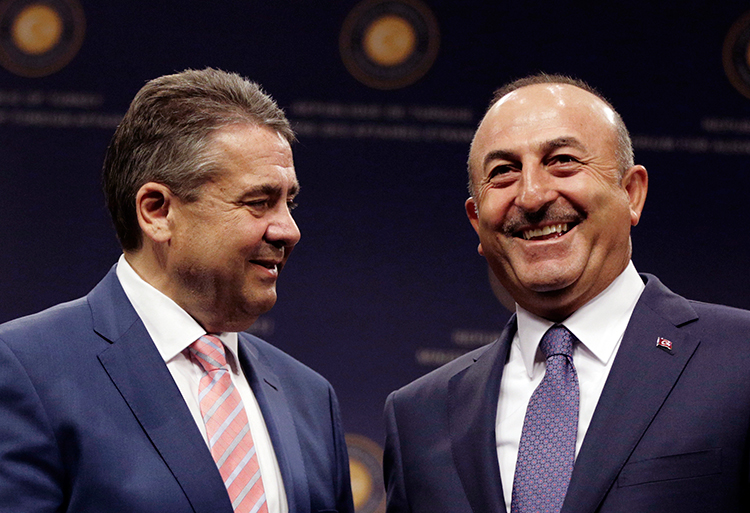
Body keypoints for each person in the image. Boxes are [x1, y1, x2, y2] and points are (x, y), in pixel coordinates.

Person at [383, 74, 750, 512]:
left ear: (631, 193)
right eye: (503, 172)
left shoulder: (740, 359)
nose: (533, 195)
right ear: (476, 221)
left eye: (563, 161)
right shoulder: (417, 417)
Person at [0, 68, 354, 513]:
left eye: (290, 202)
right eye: (259, 202)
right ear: (157, 211)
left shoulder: (310, 398)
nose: (289, 229)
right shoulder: (23, 371)